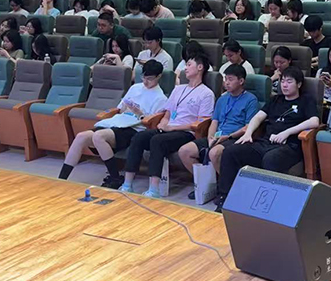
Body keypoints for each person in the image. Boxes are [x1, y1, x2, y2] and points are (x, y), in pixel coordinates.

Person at [213, 66, 321, 210]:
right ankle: (225, 197)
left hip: (289, 146)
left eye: (289, 82)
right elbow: (258, 117)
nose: (284, 85)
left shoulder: (305, 100)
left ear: (299, 84)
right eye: (283, 81)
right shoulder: (275, 100)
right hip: (265, 142)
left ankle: (267, 203)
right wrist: (248, 133)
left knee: (270, 159)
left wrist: (287, 132)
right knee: (230, 152)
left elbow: (314, 121)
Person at [60, 60, 167, 187]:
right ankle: (61, 179)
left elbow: (149, 122)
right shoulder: (135, 88)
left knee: (99, 136)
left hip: (134, 128)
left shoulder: (161, 98)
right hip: (119, 121)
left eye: (150, 79)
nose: (145, 81)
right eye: (143, 77)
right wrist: (127, 107)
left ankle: (115, 177)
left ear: (158, 76)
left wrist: (139, 113)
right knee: (81, 136)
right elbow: (120, 108)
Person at [121, 56, 215, 198]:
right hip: (168, 128)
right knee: (139, 137)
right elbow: (168, 113)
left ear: (200, 67)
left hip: (186, 132)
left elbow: (201, 122)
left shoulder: (206, 93)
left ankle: (154, 189)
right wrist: (164, 122)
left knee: (157, 141)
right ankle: (127, 184)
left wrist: (172, 128)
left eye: (189, 65)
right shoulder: (178, 89)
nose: (185, 68)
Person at [179, 64, 261, 204]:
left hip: (234, 137)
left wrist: (228, 137)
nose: (226, 83)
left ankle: (228, 188)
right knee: (185, 151)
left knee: (214, 153)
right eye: (225, 79)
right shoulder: (222, 99)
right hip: (217, 137)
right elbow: (214, 122)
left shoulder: (251, 100)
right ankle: (208, 185)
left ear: (241, 81)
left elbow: (248, 127)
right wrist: (210, 138)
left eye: (230, 79)